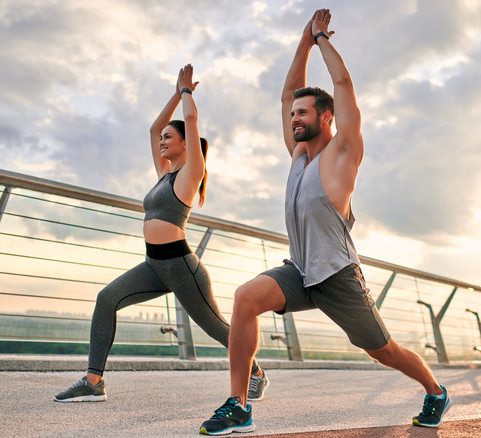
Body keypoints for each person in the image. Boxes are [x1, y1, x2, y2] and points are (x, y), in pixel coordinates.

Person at [199, 10, 450, 435]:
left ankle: (435, 391)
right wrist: (302, 43)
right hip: (300, 270)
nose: (294, 118)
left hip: (337, 275)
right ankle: (239, 406)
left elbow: (344, 85)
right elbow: (285, 97)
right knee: (245, 298)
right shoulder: (298, 156)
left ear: (326, 117)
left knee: (383, 351)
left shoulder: (342, 156)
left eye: (303, 113)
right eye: (294, 113)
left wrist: (321, 38)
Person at [53, 64, 269, 403]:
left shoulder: (189, 174)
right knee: (106, 299)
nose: (163, 141)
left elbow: (193, 122)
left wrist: (187, 93)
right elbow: (155, 127)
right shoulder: (164, 174)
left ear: (186, 144)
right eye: (163, 138)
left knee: (216, 328)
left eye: (170, 138)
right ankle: (93, 381)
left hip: (183, 269)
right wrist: (174, 91)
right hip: (153, 265)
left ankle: (256, 373)